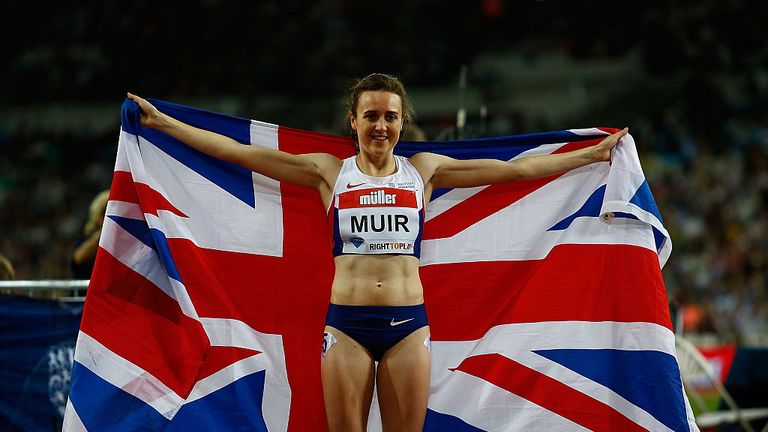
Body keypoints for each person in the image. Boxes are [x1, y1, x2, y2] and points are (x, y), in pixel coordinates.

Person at [127, 73, 627, 432]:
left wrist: (593, 153)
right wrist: (167, 125)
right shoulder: (329, 172)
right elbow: (243, 154)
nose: (381, 126)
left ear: (402, 122)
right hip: (346, 326)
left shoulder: (425, 170)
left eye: (390, 117)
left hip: (410, 327)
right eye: (371, 116)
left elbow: (515, 171)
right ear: (354, 120)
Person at [71, 189, 109, 279]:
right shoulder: (87, 238)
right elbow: (79, 257)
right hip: (85, 292)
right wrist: (104, 231)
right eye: (105, 212)